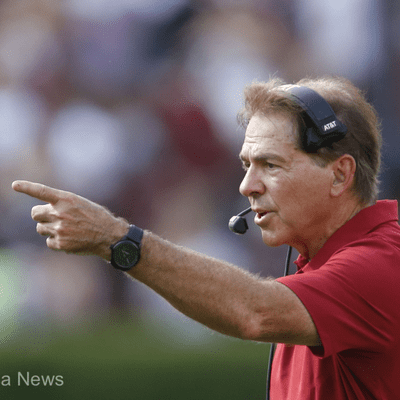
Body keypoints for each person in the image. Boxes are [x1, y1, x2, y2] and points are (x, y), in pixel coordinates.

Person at [12, 76, 400, 399]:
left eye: (270, 164)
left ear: (339, 174)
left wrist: (117, 239)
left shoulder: (384, 262)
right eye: (247, 165)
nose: (247, 185)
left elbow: (254, 312)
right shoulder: (320, 267)